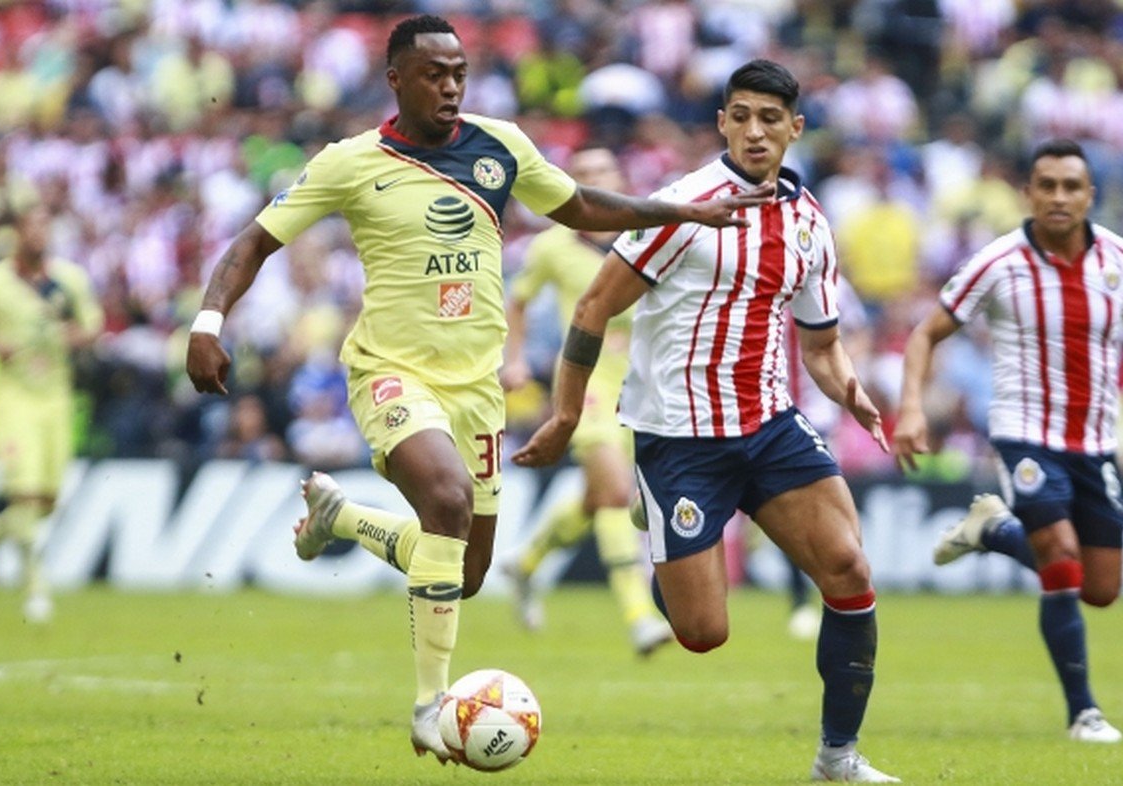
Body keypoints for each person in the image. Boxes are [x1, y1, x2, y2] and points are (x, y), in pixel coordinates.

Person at [183, 15, 771, 766]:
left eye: (460, 72)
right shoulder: (350, 162)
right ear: (396, 79)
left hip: (477, 389)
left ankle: (343, 518)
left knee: (462, 573)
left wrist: (678, 211)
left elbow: (581, 205)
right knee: (448, 503)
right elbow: (253, 242)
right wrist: (207, 321)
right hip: (391, 372)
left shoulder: (499, 147)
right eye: (435, 73)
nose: (452, 86)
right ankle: (431, 706)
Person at [513, 59, 899, 784]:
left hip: (771, 424)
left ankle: (837, 758)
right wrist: (566, 412)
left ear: (795, 128)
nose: (756, 131)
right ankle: (656, 524)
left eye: (770, 118)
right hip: (681, 438)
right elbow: (594, 306)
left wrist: (850, 389)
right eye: (741, 115)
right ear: (722, 122)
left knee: (849, 570)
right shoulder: (681, 207)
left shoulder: (811, 223)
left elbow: (819, 344)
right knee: (701, 634)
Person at [893, 138, 1123, 744]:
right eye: (1046, 185)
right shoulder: (998, 262)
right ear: (1027, 193)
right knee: (1058, 551)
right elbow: (926, 333)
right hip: (1024, 434)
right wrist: (911, 409)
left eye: (1070, 186)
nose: (1058, 197)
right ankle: (1085, 713)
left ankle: (993, 530)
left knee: (1100, 589)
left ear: (1090, 195)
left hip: (1095, 439)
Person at [500, 146, 673, 656]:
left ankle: (526, 562)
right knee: (617, 491)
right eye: (585, 175)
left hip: (641, 383)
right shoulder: (551, 246)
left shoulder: (645, 236)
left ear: (619, 178)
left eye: (604, 171)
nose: (595, 179)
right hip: (585, 380)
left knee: (600, 494)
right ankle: (639, 616)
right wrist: (513, 359)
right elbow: (520, 300)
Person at [0, 204, 102, 623]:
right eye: (32, 228)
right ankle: (35, 585)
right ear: (16, 234)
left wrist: (68, 336)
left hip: (56, 396)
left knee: (47, 499)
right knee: (23, 491)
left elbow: (92, 326)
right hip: (12, 395)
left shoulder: (68, 280)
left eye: (45, 226)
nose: (40, 235)